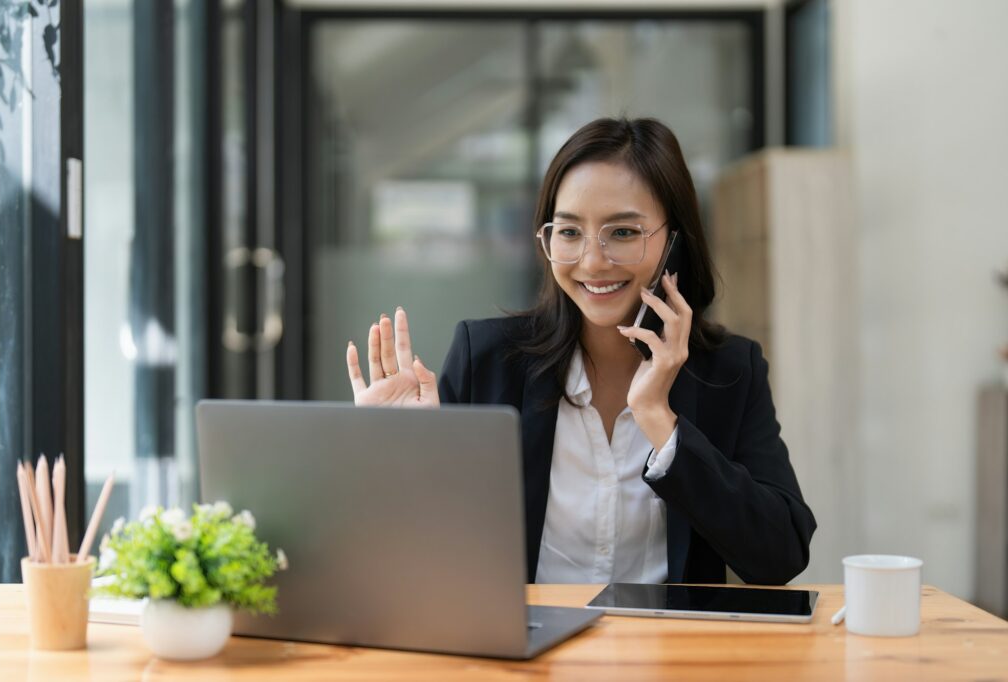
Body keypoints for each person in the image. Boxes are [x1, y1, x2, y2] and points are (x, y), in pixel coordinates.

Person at [345, 117, 816, 586]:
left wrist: (661, 422)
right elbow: (422, 561)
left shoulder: (730, 371)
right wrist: (398, 458)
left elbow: (781, 555)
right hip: (527, 653)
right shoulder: (486, 360)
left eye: (624, 233)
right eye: (569, 233)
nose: (592, 262)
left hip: (669, 654)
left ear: (675, 242)